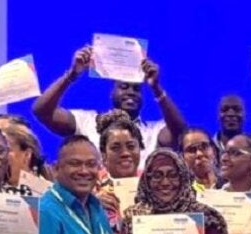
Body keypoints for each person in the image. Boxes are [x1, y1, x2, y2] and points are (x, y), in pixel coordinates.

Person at [31, 45, 186, 155]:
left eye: (136, 89)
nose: (131, 92)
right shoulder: (87, 122)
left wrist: (156, 87)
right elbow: (42, 110)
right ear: (111, 93)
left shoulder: (153, 131)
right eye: (124, 87)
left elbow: (180, 133)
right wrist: (72, 74)